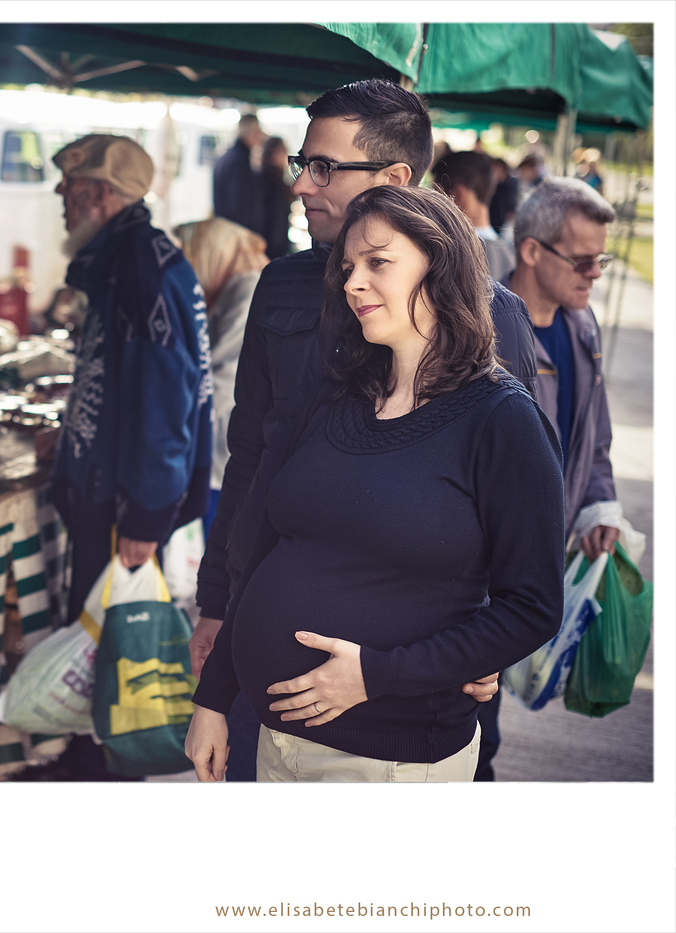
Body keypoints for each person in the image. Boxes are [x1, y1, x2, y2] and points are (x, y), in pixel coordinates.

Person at [188, 78, 537, 784]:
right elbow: (250, 455)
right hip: (261, 658)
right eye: (301, 164)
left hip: (405, 691)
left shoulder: (492, 315)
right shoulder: (280, 287)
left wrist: (479, 650)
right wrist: (216, 606)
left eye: (323, 167)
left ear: (395, 178)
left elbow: (520, 508)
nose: (301, 186)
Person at [48, 134, 213, 780]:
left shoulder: (141, 265)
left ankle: (106, 773)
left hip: (125, 508)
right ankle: (95, 761)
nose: (61, 198)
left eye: (72, 187)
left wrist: (145, 515)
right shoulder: (127, 256)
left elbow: (163, 402)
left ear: (104, 196)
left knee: (115, 651)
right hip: (116, 495)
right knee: (102, 644)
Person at [508, 178, 621, 556]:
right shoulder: (481, 332)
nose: (595, 273)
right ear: (531, 251)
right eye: (582, 261)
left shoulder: (584, 325)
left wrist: (599, 504)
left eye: (601, 259)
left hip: (556, 551)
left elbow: (595, 433)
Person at [175, 217, 269, 532]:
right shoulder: (235, 287)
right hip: (222, 437)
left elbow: (223, 375)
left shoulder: (247, 288)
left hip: (225, 443)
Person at [432, 150, 516, 280]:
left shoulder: (449, 254)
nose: (433, 204)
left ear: (458, 196)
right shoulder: (508, 257)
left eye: (436, 194)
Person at [213, 114, 265, 235]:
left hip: (227, 230)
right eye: (258, 131)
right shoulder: (239, 161)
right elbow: (239, 204)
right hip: (235, 232)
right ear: (251, 132)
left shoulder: (229, 156)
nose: (260, 136)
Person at [259, 136, 294, 259]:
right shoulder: (271, 180)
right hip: (273, 246)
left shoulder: (270, 177)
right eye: (285, 152)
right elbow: (276, 215)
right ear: (275, 153)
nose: (286, 157)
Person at [488, 157, 519, 236]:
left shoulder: (511, 183)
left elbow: (512, 203)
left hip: (505, 221)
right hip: (492, 219)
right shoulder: (492, 184)